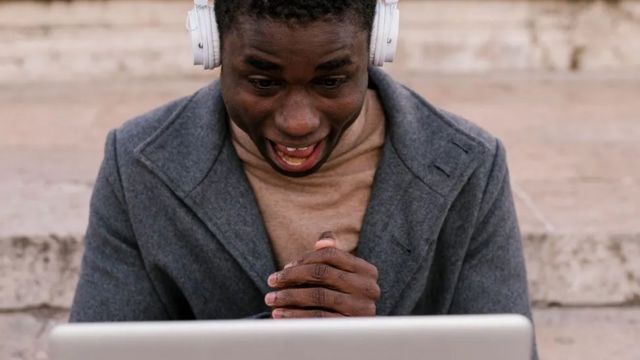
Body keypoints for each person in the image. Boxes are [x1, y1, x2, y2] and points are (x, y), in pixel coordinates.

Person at [70, 0, 536, 356]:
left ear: (375, 48)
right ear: (212, 49)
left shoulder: (470, 164)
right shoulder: (138, 161)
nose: (298, 122)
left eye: (331, 82)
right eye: (262, 82)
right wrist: (279, 335)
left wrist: (376, 340)